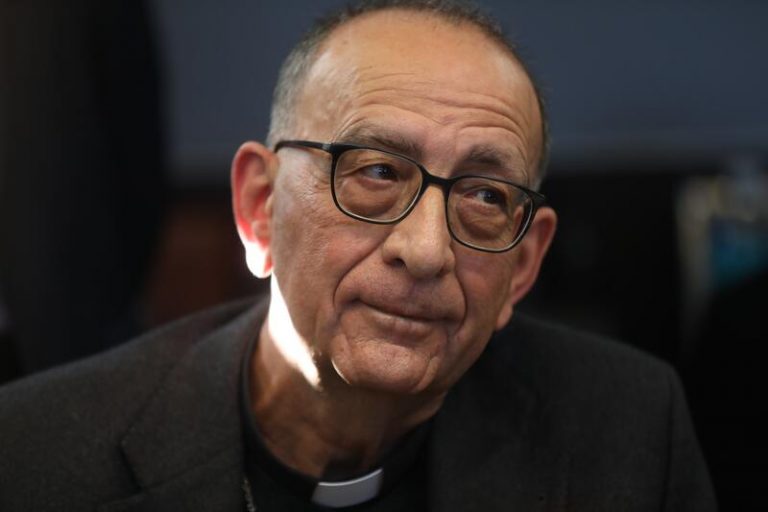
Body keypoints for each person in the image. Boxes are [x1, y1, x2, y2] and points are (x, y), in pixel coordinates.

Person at [0, 1, 715, 510]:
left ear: (521, 269)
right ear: (259, 209)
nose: (427, 251)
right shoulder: (40, 451)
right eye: (375, 172)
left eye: (484, 196)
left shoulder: (626, 433)